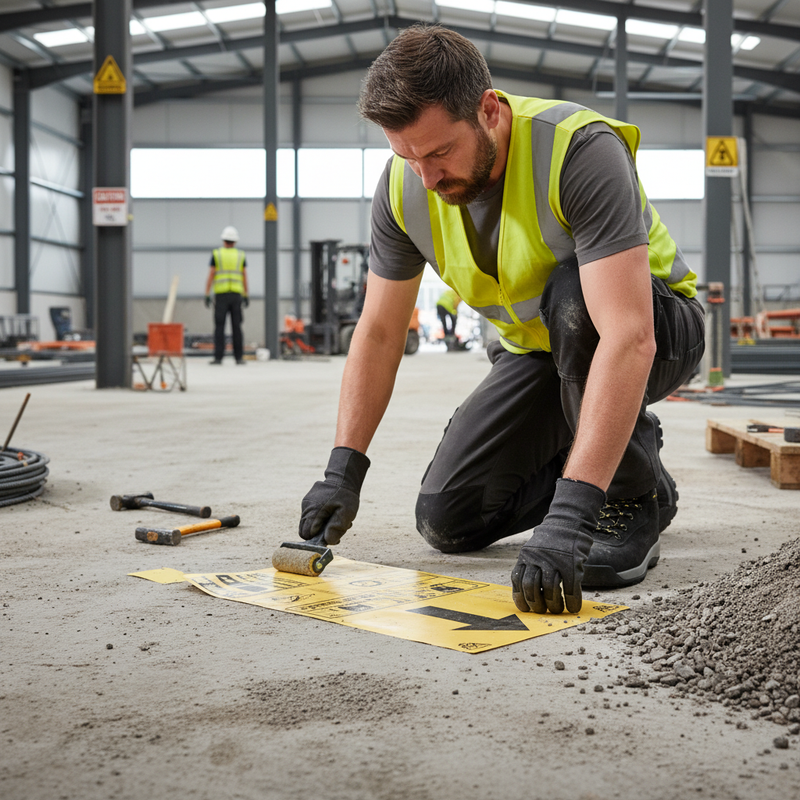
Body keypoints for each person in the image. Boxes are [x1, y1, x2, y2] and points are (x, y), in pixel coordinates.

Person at [298, 25, 705, 615]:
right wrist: (343, 470)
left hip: (656, 330)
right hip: (538, 353)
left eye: (439, 152)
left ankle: (627, 495)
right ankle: (621, 457)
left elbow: (629, 334)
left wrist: (570, 517)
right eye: (408, 156)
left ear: (488, 110)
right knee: (450, 518)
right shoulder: (405, 189)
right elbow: (381, 333)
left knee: (574, 300)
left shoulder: (578, 150)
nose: (426, 177)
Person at [205, 226, 249, 365]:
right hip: (236, 295)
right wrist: (246, 294)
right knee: (237, 327)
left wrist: (207, 293)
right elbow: (244, 275)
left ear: (223, 240)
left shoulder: (217, 254)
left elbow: (211, 274)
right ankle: (239, 358)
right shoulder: (240, 255)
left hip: (221, 295)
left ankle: (218, 358)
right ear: (235, 241)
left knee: (219, 327)